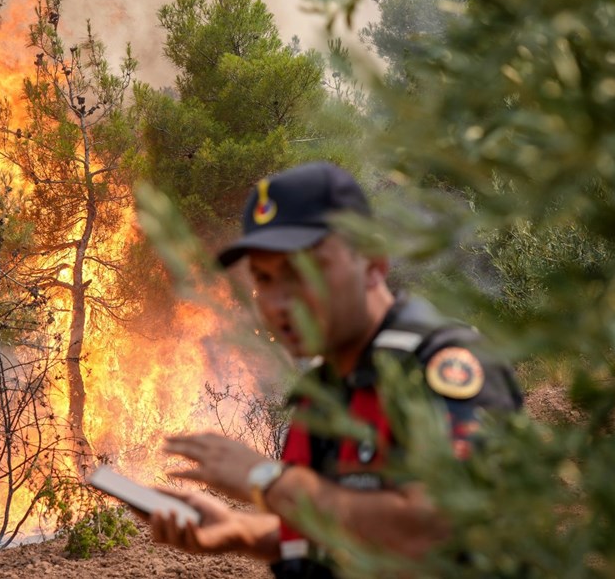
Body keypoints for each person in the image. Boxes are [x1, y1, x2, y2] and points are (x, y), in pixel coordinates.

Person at [148, 161, 523, 577]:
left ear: (373, 263)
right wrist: (243, 533)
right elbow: (349, 532)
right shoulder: (325, 391)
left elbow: (432, 534)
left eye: (303, 271)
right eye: (264, 279)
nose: (277, 303)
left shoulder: (443, 368)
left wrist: (269, 480)